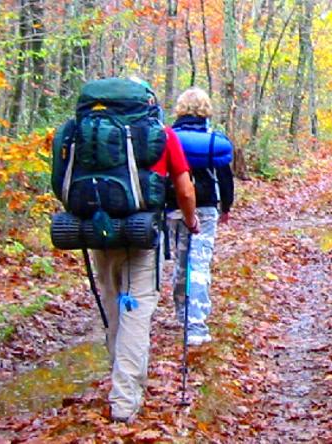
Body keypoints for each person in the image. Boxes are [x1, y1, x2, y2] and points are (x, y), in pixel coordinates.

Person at [88, 78, 199, 423]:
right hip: (142, 233)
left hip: (99, 229)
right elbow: (183, 187)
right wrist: (191, 220)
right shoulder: (160, 134)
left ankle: (122, 375)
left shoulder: (90, 133)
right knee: (137, 310)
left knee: (112, 304)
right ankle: (124, 400)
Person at [168, 87, 235, 347]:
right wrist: (226, 206)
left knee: (181, 261)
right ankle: (196, 325)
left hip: (173, 208)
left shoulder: (168, 137)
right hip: (205, 209)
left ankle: (181, 314)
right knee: (199, 263)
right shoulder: (212, 141)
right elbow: (225, 178)